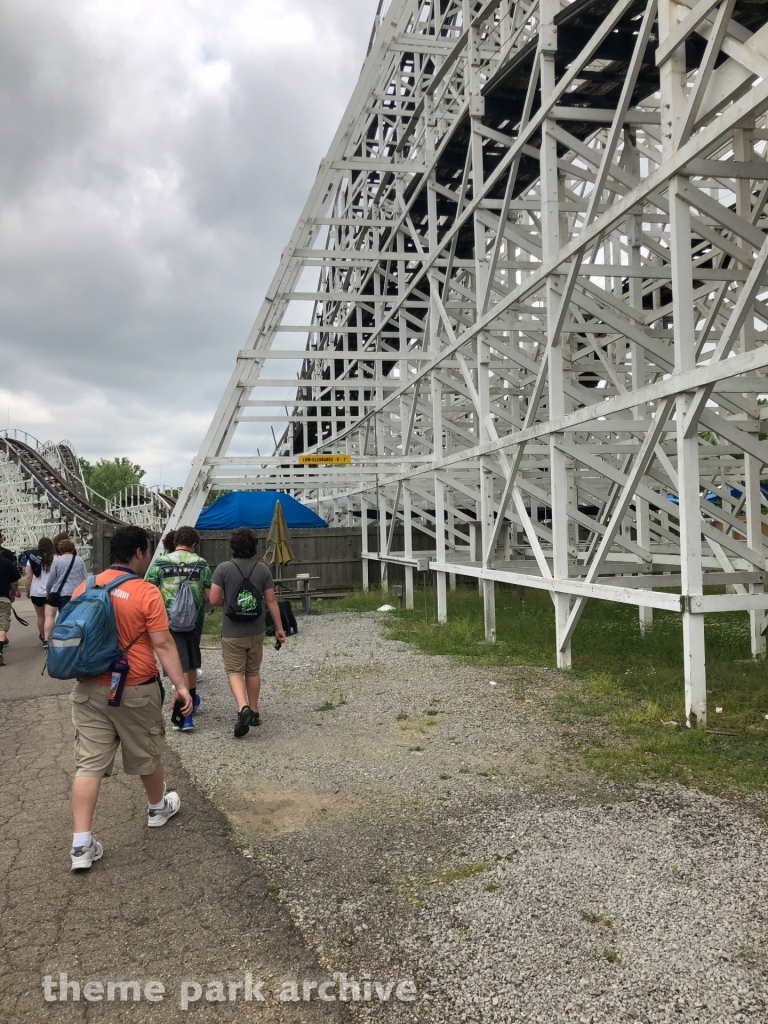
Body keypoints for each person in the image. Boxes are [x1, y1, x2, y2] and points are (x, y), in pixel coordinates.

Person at [67, 525, 193, 871]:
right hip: (134, 686)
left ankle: (81, 845)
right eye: (148, 551)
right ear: (138, 552)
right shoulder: (145, 592)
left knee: (89, 764)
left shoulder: (86, 586)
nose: (149, 556)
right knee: (146, 750)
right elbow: (162, 643)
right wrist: (181, 686)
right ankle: (157, 808)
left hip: (89, 686)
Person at [208, 527, 285, 738]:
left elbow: (213, 599)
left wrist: (228, 602)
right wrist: (279, 628)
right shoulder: (262, 570)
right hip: (256, 630)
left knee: (234, 670)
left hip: (232, 631)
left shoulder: (223, 569)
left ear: (232, 546)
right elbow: (271, 601)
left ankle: (242, 708)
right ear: (255, 547)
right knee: (253, 670)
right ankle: (254, 711)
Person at [146, 525, 211, 732]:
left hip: (167, 621)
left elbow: (148, 590)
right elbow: (209, 596)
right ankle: (191, 700)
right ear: (194, 544)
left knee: (177, 662)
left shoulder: (160, 563)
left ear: (175, 542)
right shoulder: (201, 564)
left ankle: (184, 716)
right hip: (194, 622)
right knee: (190, 663)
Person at [44, 538, 88, 640]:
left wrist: (48, 591)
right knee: (77, 616)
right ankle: (76, 636)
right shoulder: (79, 560)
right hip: (78, 593)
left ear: (60, 549)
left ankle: (66, 638)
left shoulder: (57, 561)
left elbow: (51, 579)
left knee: (65, 616)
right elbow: (85, 577)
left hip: (63, 593)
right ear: (72, 549)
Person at [24, 536, 55, 646]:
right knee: (50, 616)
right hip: (51, 591)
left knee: (41, 616)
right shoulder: (55, 558)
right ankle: (48, 637)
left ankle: (43, 637)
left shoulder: (32, 558)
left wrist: (27, 590)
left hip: (36, 592)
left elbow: (28, 577)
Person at [0, 552, 21, 667]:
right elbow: (14, 582)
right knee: (2, 626)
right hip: (3, 598)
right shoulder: (7, 563)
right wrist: (12, 594)